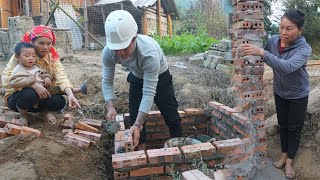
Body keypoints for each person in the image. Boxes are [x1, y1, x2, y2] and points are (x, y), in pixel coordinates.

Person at [241, 9, 311, 179]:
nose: (283, 32)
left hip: (298, 94)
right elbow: (258, 55)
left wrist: (262, 53)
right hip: (280, 91)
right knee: (283, 124)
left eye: (289, 28)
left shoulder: (304, 49)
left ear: (300, 30)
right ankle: (284, 154)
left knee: (294, 128)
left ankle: (289, 162)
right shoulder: (273, 41)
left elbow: (286, 68)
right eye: (281, 27)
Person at [102, 10, 182, 150]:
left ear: (134, 38)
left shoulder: (148, 53)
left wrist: (139, 124)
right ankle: (141, 155)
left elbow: (149, 93)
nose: (120, 52)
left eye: (124, 47)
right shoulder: (108, 53)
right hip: (137, 76)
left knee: (171, 116)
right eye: (116, 49)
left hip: (160, 77)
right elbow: (107, 81)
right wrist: (110, 106)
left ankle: (179, 150)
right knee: (134, 117)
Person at [2, 25, 84, 125]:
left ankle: (44, 113)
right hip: (19, 100)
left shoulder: (53, 58)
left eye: (49, 43)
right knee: (30, 93)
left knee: (59, 101)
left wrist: (70, 94)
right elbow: (6, 80)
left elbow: (61, 76)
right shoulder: (21, 55)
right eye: (41, 43)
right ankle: (23, 116)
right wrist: (33, 85)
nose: (45, 47)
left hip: (41, 98)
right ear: (32, 42)